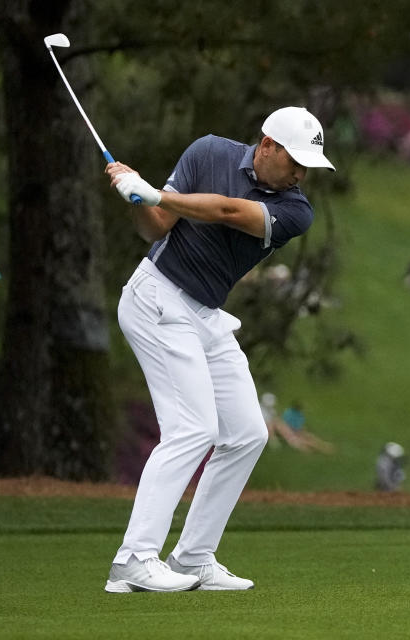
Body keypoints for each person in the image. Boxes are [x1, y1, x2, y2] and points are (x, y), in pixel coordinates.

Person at [103, 106, 335, 593]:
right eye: (294, 160)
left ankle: (191, 558)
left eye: (307, 166)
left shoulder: (296, 211)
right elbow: (157, 227)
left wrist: (156, 191)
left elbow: (230, 212)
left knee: (248, 433)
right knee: (193, 428)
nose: (299, 174)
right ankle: (134, 558)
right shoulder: (208, 151)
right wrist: (136, 197)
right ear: (267, 144)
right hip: (157, 298)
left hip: (204, 315)